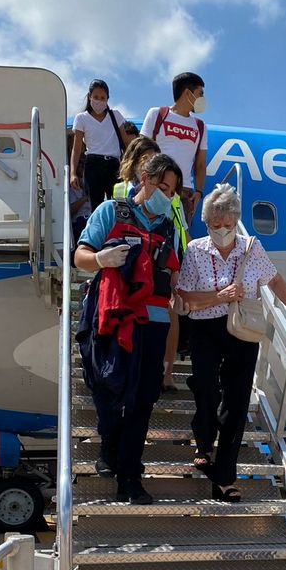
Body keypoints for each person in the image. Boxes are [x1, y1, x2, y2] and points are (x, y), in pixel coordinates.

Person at [177, 184, 286, 501]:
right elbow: (183, 296)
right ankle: (204, 440)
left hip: (242, 330)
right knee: (206, 388)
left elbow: (274, 279)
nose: (222, 231)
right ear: (206, 223)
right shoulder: (195, 250)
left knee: (235, 405)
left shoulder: (250, 247)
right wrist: (218, 296)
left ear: (235, 221)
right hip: (205, 328)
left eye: (227, 225)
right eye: (215, 225)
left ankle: (224, 478)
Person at [74, 153, 183, 504]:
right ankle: (108, 445)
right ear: (145, 179)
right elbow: (80, 257)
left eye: (173, 191)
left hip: (153, 320)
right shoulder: (111, 211)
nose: (167, 196)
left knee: (141, 401)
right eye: (163, 187)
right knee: (107, 387)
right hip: (111, 314)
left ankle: (130, 475)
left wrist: (181, 293)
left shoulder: (167, 228)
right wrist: (101, 260)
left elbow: (175, 273)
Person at [113, 135, 188, 392]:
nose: (151, 162)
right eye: (146, 159)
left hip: (166, 250)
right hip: (133, 254)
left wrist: (176, 260)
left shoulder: (169, 194)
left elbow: (178, 225)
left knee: (170, 313)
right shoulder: (121, 192)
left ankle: (167, 372)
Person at [141, 72, 207, 225]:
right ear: (187, 93)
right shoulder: (157, 114)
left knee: (178, 241)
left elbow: (200, 164)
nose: (202, 99)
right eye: (200, 94)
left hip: (184, 190)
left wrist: (198, 191)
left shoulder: (200, 126)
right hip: (156, 184)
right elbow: (142, 150)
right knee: (146, 232)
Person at [71, 79, 134, 211]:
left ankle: (115, 231)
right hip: (93, 164)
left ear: (107, 99)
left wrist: (132, 166)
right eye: (96, 97)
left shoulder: (115, 115)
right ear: (89, 97)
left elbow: (128, 144)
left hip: (114, 165)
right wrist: (73, 173)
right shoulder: (81, 118)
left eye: (103, 98)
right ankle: (99, 231)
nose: (99, 101)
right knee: (97, 206)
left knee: (118, 205)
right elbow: (76, 150)